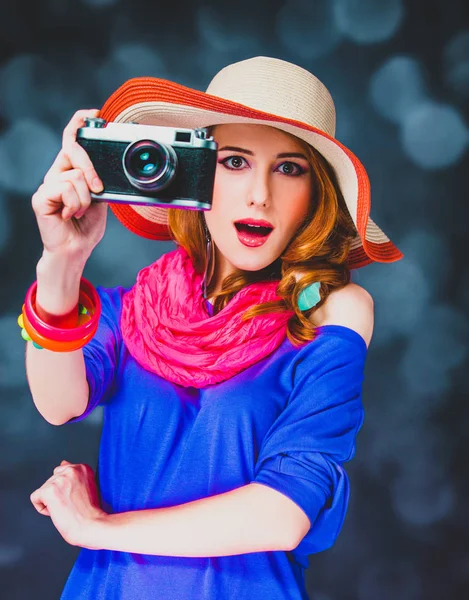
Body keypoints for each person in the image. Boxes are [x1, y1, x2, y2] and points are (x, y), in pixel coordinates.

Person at [24, 56, 403, 599]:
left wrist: (96, 528)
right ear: (194, 173)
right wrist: (61, 259)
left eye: (289, 168)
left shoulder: (330, 311)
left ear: (316, 195)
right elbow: (56, 403)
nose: (259, 195)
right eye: (234, 162)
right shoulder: (134, 309)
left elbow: (284, 511)